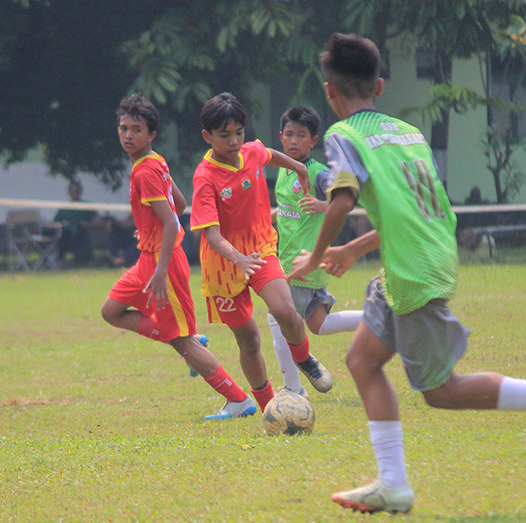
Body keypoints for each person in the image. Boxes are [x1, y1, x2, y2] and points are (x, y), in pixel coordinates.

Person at [288, 33, 526, 515]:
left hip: (413, 273)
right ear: (379, 86)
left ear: (330, 91)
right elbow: (414, 211)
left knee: (441, 391)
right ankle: (392, 484)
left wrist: (314, 259)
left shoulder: (343, 137)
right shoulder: (406, 133)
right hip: (419, 259)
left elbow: (343, 198)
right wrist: (354, 247)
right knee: (362, 361)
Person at [101, 93, 255, 419]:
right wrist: (148, 234)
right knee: (112, 311)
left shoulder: (145, 171)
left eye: (137, 129)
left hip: (163, 265)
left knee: (182, 343)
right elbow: (179, 204)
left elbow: (173, 221)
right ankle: (186, 338)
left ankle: (238, 399)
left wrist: (159, 270)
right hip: (149, 259)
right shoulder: (154, 162)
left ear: (151, 134)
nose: (128, 135)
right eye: (123, 128)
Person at [190, 93, 333, 414]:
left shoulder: (250, 151)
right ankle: (270, 407)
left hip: (259, 248)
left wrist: (298, 167)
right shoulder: (205, 177)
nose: (234, 141)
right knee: (249, 340)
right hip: (224, 265)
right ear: (207, 136)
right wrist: (237, 259)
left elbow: (267, 153)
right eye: (224, 136)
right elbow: (211, 235)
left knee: (285, 310)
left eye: (238, 132)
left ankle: (304, 359)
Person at [270, 105, 362, 395]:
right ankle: (377, 318)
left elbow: (348, 199)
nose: (294, 141)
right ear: (281, 137)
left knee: (279, 321)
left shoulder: (319, 173)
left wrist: (325, 205)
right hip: (294, 262)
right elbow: (290, 210)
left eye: (301, 135)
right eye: (289, 135)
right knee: (319, 325)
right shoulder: (285, 172)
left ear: (313, 141)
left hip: (302, 264)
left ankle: (293, 388)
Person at [55, 179, 101, 268]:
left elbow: (98, 221)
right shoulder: (64, 208)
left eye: (76, 190)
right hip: (66, 235)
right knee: (63, 236)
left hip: (81, 234)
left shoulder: (86, 205)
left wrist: (87, 224)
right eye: (72, 190)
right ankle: (60, 262)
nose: (74, 192)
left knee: (80, 234)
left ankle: (84, 262)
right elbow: (56, 222)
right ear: (68, 192)